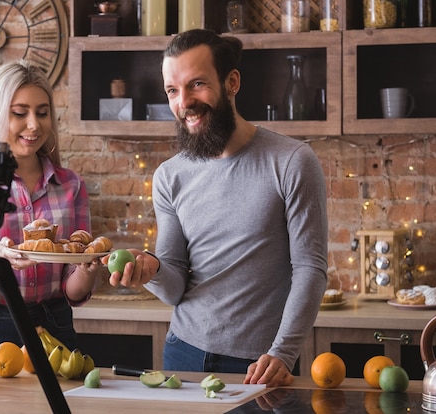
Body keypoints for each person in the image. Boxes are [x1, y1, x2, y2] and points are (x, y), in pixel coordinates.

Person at [102, 29, 328, 387]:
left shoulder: (291, 161)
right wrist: (153, 270)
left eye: (197, 84)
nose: (184, 102)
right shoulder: (169, 176)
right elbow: (175, 286)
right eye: (173, 91)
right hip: (182, 352)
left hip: (260, 364)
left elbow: (310, 268)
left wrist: (283, 353)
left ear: (232, 82)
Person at [0, 60, 102, 349]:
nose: (33, 125)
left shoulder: (71, 186)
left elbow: (73, 292)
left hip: (54, 325)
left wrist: (87, 267)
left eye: (42, 113)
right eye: (19, 113)